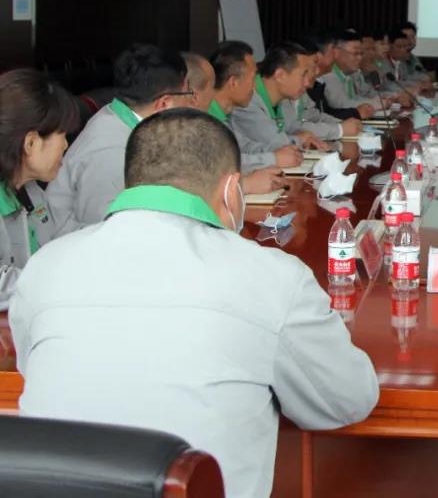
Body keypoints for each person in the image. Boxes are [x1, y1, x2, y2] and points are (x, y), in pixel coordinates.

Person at [11, 108, 379, 498]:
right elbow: (348, 399)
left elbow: (31, 369)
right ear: (232, 189)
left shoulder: (45, 266)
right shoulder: (272, 277)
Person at [46, 44, 191, 236]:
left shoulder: (125, 121)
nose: (192, 102)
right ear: (164, 103)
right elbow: (104, 233)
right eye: (188, 93)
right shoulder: (111, 151)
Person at [0, 70, 79, 270]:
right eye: (62, 135)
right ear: (31, 143)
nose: (65, 145)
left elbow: (63, 237)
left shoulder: (30, 190)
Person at [207, 41, 294, 191]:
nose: (254, 87)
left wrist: (277, 153)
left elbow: (242, 146)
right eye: (253, 79)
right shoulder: (205, 120)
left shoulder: (226, 113)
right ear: (233, 82)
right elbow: (224, 163)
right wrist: (273, 159)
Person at [231, 42, 331, 156]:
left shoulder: (283, 100)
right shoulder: (247, 101)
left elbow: (294, 127)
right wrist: (299, 139)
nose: (307, 83)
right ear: (280, 76)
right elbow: (275, 142)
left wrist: (306, 136)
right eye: (303, 75)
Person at [282, 42, 362, 141]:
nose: (317, 71)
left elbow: (313, 115)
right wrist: (339, 129)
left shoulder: (301, 87)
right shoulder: (284, 95)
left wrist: (341, 124)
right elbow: (294, 127)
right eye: (313, 65)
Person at [318, 31, 380, 118]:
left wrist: (378, 101)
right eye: (355, 53)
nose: (359, 58)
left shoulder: (350, 74)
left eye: (361, 53)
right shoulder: (328, 75)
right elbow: (341, 105)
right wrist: (376, 104)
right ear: (336, 52)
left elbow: (354, 98)